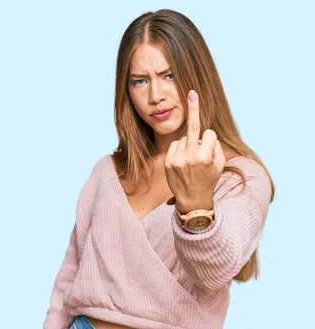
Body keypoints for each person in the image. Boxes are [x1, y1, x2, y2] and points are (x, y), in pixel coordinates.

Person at [43, 8, 276, 329]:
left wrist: (196, 205)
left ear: (197, 75)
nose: (156, 96)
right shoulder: (107, 171)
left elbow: (217, 271)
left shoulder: (241, 177)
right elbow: (69, 276)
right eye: (140, 81)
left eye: (170, 75)